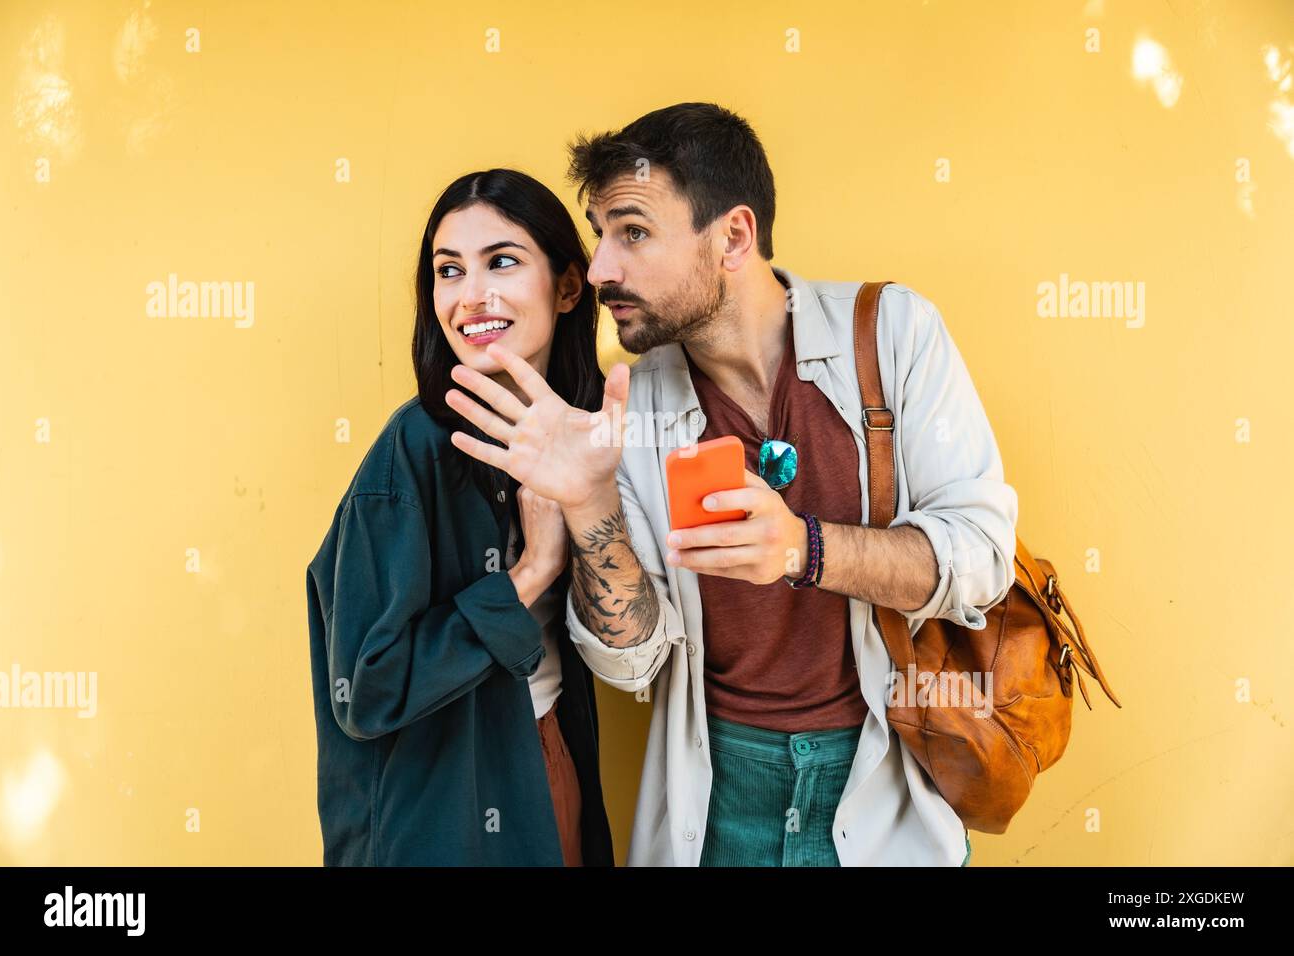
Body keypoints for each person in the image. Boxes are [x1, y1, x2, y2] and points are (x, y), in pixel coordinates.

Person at [446, 103, 1017, 866]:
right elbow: (631, 661)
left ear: (733, 237)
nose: (602, 267)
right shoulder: (632, 404)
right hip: (715, 802)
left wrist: (803, 549)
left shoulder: (893, 334)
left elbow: (981, 559)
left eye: (633, 231)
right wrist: (589, 506)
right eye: (598, 233)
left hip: (886, 791)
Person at [305, 168, 614, 866]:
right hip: (447, 813)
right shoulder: (411, 454)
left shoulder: (582, 434)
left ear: (569, 286)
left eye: (501, 262)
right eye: (450, 270)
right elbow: (368, 687)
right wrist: (530, 573)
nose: (471, 295)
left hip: (546, 763)